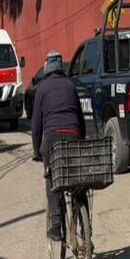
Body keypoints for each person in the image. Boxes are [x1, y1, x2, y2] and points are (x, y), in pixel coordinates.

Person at [31, 56, 86, 241]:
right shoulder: (70, 85)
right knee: (78, 181)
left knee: (52, 177)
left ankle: (56, 225)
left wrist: (36, 150)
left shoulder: (42, 89)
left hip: (52, 138)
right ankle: (86, 233)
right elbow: (80, 117)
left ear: (47, 69)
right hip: (73, 135)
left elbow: (36, 124)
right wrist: (81, 139)